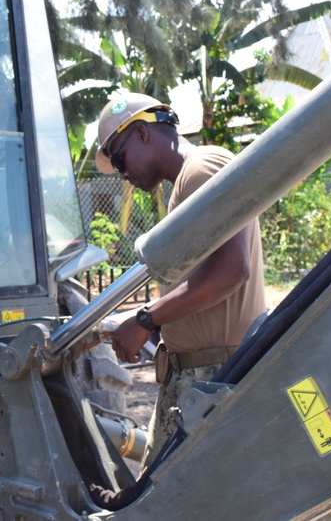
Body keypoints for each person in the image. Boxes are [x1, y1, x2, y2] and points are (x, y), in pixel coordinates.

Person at [95, 91, 266, 469]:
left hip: (213, 378)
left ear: (141, 133)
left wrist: (146, 319)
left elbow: (232, 269)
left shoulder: (202, 168)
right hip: (196, 376)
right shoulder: (187, 182)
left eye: (119, 157)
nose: (122, 174)